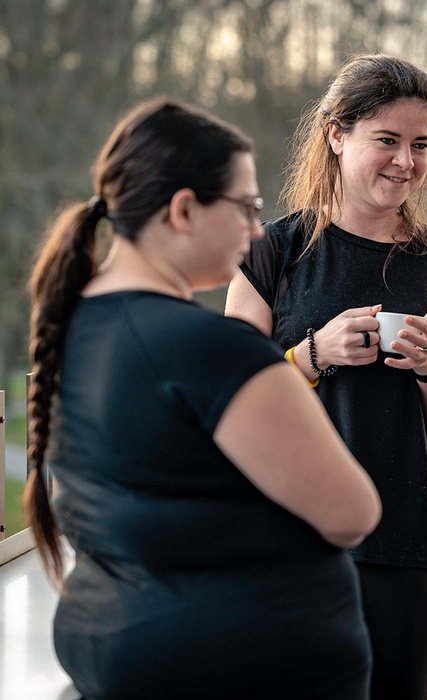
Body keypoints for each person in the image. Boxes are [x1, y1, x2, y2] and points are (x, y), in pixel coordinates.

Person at [25, 96, 381, 699]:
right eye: (245, 207)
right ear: (184, 210)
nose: (255, 229)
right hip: (242, 671)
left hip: (117, 645)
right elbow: (354, 513)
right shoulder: (212, 349)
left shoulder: (70, 328)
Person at [225, 54, 427, 698]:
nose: (406, 161)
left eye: (421, 145)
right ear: (336, 134)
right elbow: (233, 408)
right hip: (290, 539)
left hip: (409, 543)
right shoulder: (274, 252)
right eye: (387, 140)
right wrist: (313, 353)